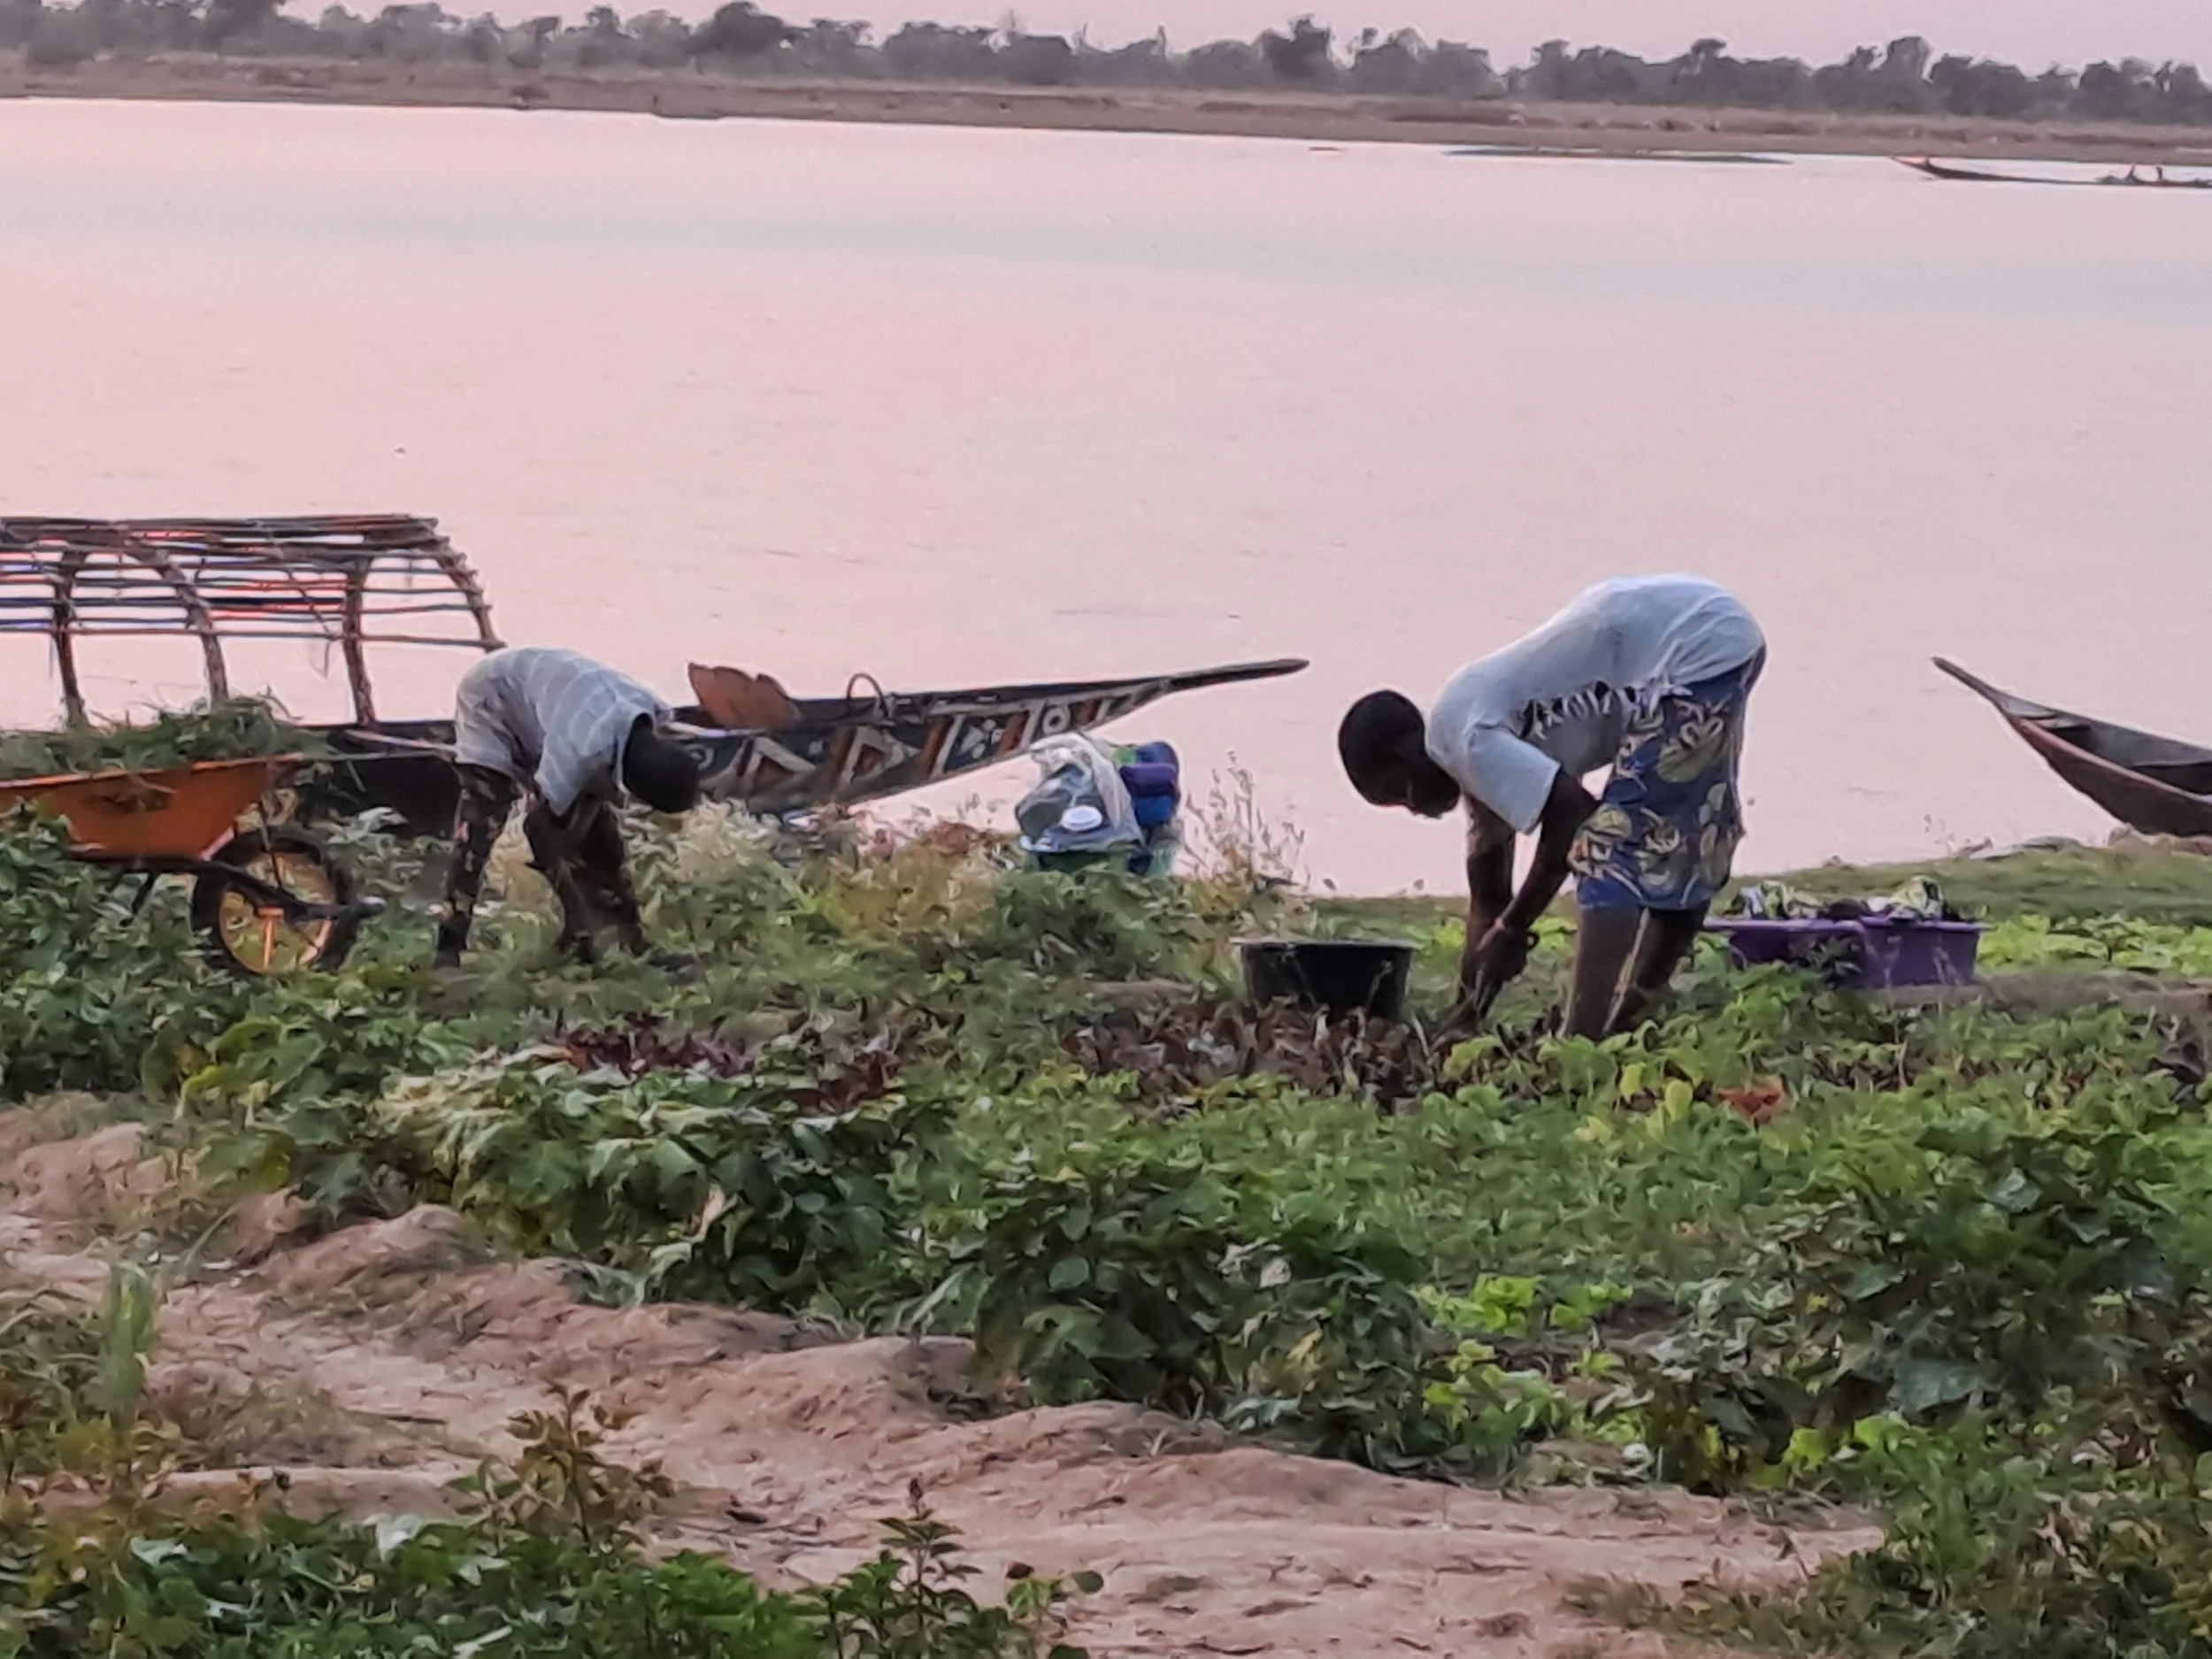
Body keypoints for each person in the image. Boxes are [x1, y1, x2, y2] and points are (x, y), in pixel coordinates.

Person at [1337, 574, 1766, 1038]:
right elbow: (1489, 900)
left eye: (1402, 796)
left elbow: (1573, 818)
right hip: (1707, 637)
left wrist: (1515, 928)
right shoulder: (1474, 760)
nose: (1419, 812)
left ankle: (1581, 1042)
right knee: (1682, 846)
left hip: (1689, 647)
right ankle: (1623, 1029)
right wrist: (1469, 1013)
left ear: (1403, 757)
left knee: (1608, 849)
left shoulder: (1462, 737)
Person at [434, 645, 703, 971]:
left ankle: (631, 946)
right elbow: (537, 827)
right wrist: (573, 906)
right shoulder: (579, 753)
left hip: (557, 694)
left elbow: (589, 805)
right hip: (494, 694)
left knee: (602, 842)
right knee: (480, 826)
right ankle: (447, 952)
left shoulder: (652, 708)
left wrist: (583, 826)